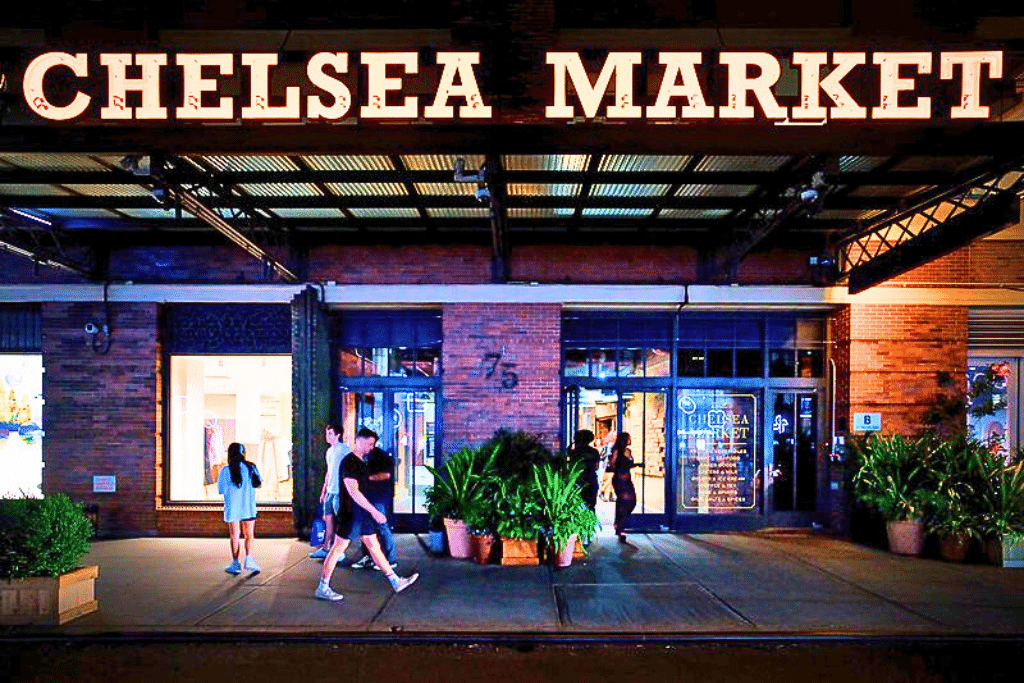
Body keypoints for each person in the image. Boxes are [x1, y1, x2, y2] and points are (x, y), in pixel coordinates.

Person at [315, 427, 419, 601]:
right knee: (338, 548)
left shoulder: (361, 461)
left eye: (373, 444)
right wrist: (375, 511)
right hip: (351, 514)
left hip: (362, 513)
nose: (372, 447)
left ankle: (395, 581)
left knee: (373, 546)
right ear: (359, 441)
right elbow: (354, 492)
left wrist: (370, 510)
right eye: (370, 443)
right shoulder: (349, 462)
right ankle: (323, 587)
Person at [348, 445, 398, 571]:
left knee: (382, 525)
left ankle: (390, 559)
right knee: (367, 529)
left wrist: (367, 478)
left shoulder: (380, 455)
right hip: (365, 497)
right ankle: (368, 557)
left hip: (378, 497)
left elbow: (386, 475)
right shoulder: (359, 457)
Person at [217, 442, 262, 575]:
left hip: (233, 507)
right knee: (249, 535)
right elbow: (258, 485)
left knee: (234, 535)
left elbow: (222, 489)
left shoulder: (225, 470)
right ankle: (249, 558)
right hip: (248, 507)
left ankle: (235, 563)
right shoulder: (251, 468)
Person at [309, 422, 351, 560]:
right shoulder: (329, 451)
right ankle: (326, 548)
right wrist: (323, 491)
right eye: (327, 433)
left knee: (340, 522)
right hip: (330, 492)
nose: (327, 436)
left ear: (337, 435)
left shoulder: (344, 449)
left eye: (330, 433)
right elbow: (329, 472)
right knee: (328, 521)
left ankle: (339, 550)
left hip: (340, 492)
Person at [609, 432, 641, 542]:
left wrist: (635, 464)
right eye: (628, 438)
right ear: (624, 439)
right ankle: (621, 528)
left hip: (627, 479)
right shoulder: (617, 450)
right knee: (623, 502)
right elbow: (612, 465)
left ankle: (619, 523)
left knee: (632, 501)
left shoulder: (628, 451)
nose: (630, 440)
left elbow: (630, 463)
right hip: (619, 479)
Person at [568, 429, 601, 512]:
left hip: (578, 479)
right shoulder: (594, 452)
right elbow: (596, 467)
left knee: (577, 505)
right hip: (591, 479)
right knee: (591, 505)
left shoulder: (574, 452)